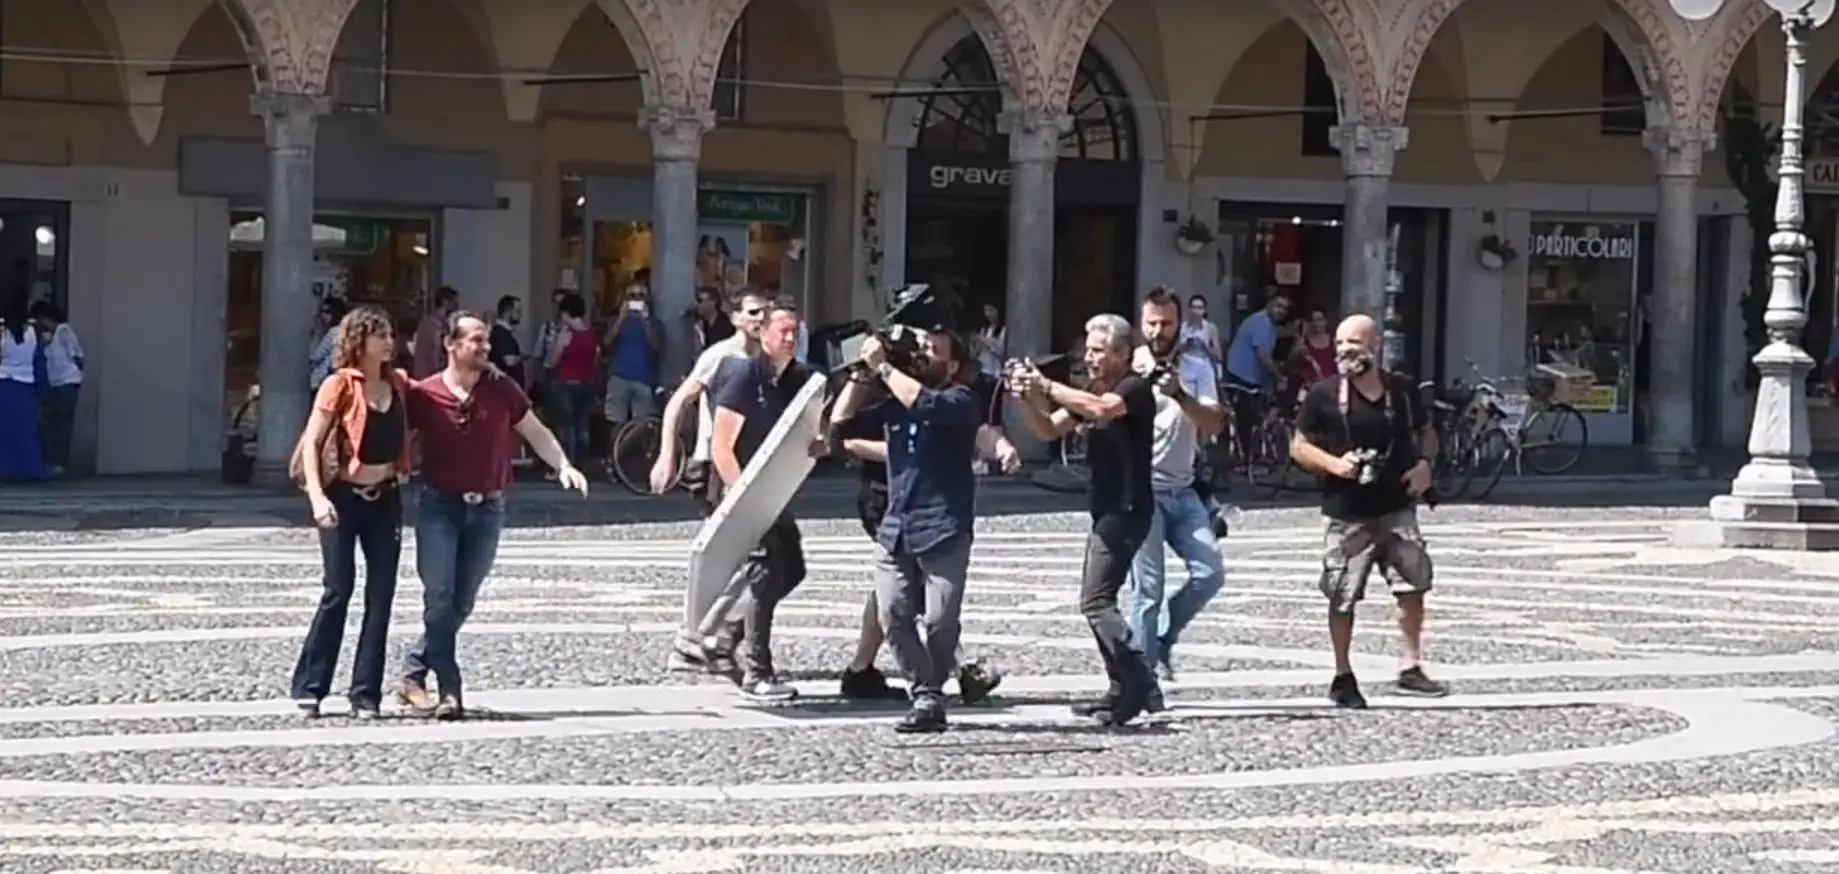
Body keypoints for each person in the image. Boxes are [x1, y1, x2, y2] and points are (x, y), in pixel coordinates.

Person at [398, 311, 590, 719]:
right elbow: (401, 439)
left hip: (487, 507)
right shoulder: (425, 394)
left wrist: (564, 466)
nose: (485, 347)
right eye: (476, 340)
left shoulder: (502, 389)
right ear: (451, 345)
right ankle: (450, 690)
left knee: (462, 601)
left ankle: (414, 670)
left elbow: (534, 429)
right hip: (439, 507)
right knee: (439, 597)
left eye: (485, 341)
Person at [830, 332, 1018, 705]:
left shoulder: (960, 400)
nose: (921, 354)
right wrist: (859, 375)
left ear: (950, 367)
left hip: (943, 527)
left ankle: (933, 686)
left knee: (938, 621)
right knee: (894, 615)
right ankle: (926, 691)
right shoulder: (893, 402)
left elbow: (925, 402)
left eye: (933, 352)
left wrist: (882, 367)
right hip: (896, 526)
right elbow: (840, 428)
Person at [1289, 314, 1449, 709]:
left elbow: (1426, 432)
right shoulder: (1323, 394)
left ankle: (1411, 666)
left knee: (1413, 586)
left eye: (1354, 343)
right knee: (1342, 594)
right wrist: (1334, 465)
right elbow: (1298, 446)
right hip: (1346, 511)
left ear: (1374, 346)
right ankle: (1342, 675)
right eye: (1340, 343)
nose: (1344, 350)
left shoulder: (1402, 392)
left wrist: (1425, 465)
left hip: (1397, 505)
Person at [1009, 313, 1158, 726]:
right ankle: (1120, 687)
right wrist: (1026, 397)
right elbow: (1047, 430)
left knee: (1095, 600)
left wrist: (1047, 385)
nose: (1089, 358)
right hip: (1107, 506)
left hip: (1127, 509)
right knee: (1097, 600)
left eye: (1097, 351)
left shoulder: (1134, 388)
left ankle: (1138, 678)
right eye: (1087, 350)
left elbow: (1101, 410)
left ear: (1122, 353)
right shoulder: (1093, 388)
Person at [287, 306, 413, 720]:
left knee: (381, 595)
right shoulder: (338, 386)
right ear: (360, 340)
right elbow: (312, 442)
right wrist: (318, 498)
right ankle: (311, 685)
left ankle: (365, 692)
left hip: (386, 496)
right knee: (338, 589)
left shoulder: (396, 383)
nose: (389, 342)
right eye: (380, 335)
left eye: (390, 334)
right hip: (343, 496)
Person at [707, 305, 819, 702]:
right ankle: (757, 671)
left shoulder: (797, 380)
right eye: (783, 330)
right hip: (746, 494)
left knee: (793, 570)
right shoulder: (744, 376)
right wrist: (742, 496)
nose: (790, 338)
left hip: (775, 493)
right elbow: (721, 445)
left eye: (796, 330)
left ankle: (726, 638)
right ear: (764, 334)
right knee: (766, 573)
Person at [1127, 289, 1228, 706]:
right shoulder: (1128, 364)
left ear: (1179, 324)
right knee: (1147, 590)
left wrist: (1181, 394)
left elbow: (1214, 422)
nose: (1157, 331)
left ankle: (1166, 639)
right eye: (1151, 322)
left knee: (1210, 573)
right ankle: (1144, 679)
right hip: (1143, 489)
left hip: (1184, 488)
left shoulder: (1197, 367)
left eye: (1166, 323)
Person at [543, 292, 598, 475]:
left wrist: (552, 349)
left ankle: (566, 466)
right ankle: (583, 465)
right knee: (582, 427)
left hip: (566, 383)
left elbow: (552, 360)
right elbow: (595, 357)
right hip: (586, 383)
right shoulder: (590, 333)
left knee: (566, 427)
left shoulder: (567, 333)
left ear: (566, 313)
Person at [1224, 292, 1289, 441]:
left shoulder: (1267, 323)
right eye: (1278, 306)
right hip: (1242, 379)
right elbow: (1263, 357)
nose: (1281, 311)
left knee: (1250, 420)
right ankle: (1247, 459)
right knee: (1248, 423)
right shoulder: (1262, 323)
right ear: (1269, 305)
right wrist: (1279, 378)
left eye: (1285, 309)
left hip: (1246, 376)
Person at [30, 301, 83, 475]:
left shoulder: (64, 331)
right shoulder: (43, 337)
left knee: (62, 424)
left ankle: (60, 462)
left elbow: (78, 356)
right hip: (53, 383)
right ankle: (50, 459)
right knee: (50, 423)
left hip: (67, 381)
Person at [604, 281, 664, 429]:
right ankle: (613, 451)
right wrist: (620, 318)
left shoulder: (655, 322)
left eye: (641, 295)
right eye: (632, 295)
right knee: (615, 422)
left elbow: (656, 345)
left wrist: (646, 320)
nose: (636, 299)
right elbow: (607, 342)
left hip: (644, 379)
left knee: (641, 426)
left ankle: (635, 452)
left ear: (648, 298)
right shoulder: (616, 320)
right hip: (619, 375)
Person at [0, 297, 47, 481]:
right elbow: (40, 359)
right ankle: (29, 469)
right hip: (26, 383)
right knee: (26, 430)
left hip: (4, 382)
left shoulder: (3, 333)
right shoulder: (33, 332)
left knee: (4, 430)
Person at [411, 286, 459, 379]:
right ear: (445, 302)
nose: (457, 305)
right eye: (454, 302)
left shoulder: (438, 323)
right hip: (429, 379)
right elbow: (434, 355)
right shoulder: (433, 325)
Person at [489, 295, 525, 386]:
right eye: (518, 311)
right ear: (508, 312)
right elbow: (509, 361)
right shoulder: (501, 334)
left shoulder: (502, 333)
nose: (520, 315)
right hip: (505, 388)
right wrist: (523, 357)